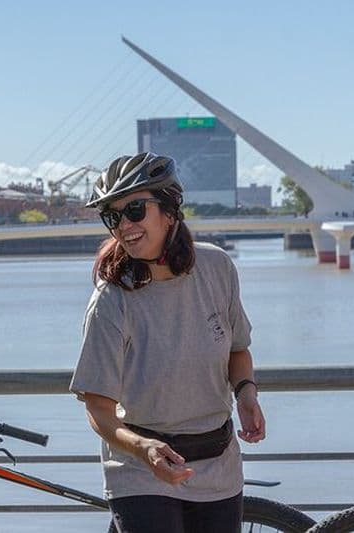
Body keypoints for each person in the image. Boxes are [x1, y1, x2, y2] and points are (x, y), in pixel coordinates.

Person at [70, 153, 266, 533]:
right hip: (142, 469)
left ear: (170, 210)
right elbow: (98, 409)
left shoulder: (217, 269)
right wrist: (143, 448)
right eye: (113, 217)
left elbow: (237, 350)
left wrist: (246, 393)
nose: (124, 225)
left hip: (217, 464)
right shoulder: (112, 300)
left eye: (135, 210)